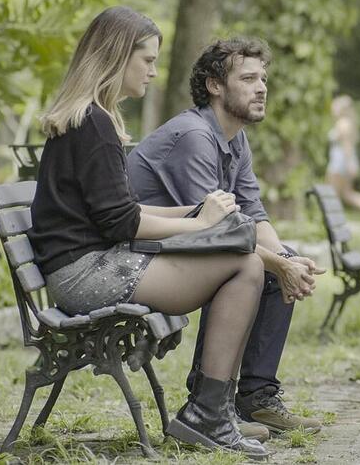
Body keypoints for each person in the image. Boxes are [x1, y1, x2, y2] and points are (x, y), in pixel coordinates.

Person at [26, 7, 268, 460]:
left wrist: (198, 212)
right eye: (147, 60)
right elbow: (122, 222)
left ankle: (210, 413)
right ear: (117, 57)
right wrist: (198, 223)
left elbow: (119, 211)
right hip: (85, 275)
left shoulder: (92, 118)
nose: (154, 72)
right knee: (245, 265)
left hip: (90, 263)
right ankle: (207, 416)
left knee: (244, 259)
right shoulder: (93, 122)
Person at [127, 38, 324, 438]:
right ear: (215, 85)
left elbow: (253, 215)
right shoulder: (195, 137)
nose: (262, 87)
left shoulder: (235, 138)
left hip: (180, 249)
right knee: (257, 266)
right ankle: (211, 404)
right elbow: (217, 232)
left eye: (263, 78)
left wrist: (287, 257)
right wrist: (281, 264)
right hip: (139, 254)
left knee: (276, 261)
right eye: (248, 78)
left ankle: (253, 399)